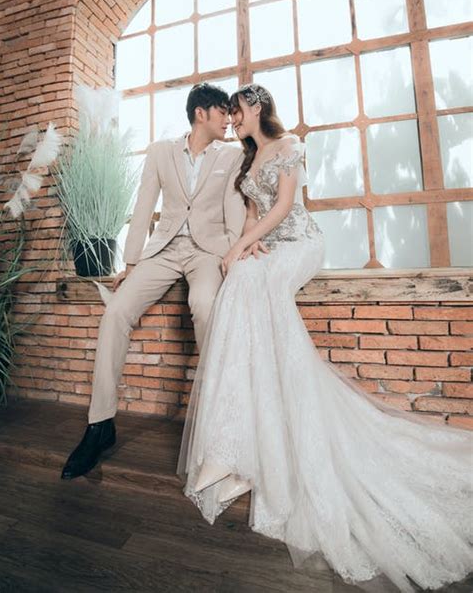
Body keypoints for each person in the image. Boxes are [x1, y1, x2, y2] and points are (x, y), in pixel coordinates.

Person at [177, 83, 473, 593]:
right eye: (228, 112)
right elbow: (252, 215)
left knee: (254, 282)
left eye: (238, 110)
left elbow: (286, 207)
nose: (233, 117)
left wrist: (247, 244)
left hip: (301, 244)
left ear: (257, 108)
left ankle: (270, 423)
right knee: (240, 280)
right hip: (268, 245)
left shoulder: (288, 145)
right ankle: (235, 442)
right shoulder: (247, 162)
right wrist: (246, 248)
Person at [61, 82, 247, 480]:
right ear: (201, 113)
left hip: (208, 252)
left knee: (204, 305)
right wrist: (130, 261)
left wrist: (233, 254)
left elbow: (234, 207)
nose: (228, 121)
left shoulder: (230, 157)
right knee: (116, 313)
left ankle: (219, 421)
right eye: (221, 113)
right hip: (163, 250)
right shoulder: (161, 151)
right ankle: (100, 425)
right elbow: (144, 204)